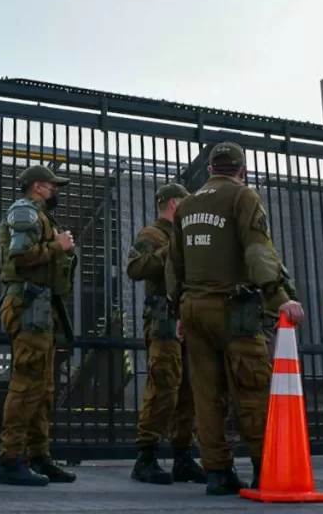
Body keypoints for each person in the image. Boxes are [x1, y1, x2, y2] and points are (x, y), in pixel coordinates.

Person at [166, 142, 305, 496]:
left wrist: (178, 310)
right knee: (252, 388)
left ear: (210, 169)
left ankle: (217, 473)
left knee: (206, 394)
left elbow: (173, 265)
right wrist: (279, 297)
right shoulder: (243, 197)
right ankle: (265, 468)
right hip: (234, 308)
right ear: (242, 171)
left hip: (194, 308)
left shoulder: (186, 205)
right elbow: (258, 250)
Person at [0, 164, 78, 487]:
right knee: (27, 383)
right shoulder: (24, 212)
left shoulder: (40, 216)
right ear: (39, 186)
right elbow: (19, 255)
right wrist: (59, 246)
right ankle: (9, 459)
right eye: (53, 186)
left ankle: (38, 456)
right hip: (29, 305)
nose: (56, 191)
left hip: (40, 308)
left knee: (42, 387)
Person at [126, 183, 206, 485]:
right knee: (164, 383)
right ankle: (146, 456)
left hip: (188, 316)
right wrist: (170, 250)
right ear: (174, 204)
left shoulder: (186, 235)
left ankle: (183, 455)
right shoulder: (152, 235)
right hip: (163, 319)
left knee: (188, 386)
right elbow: (135, 268)